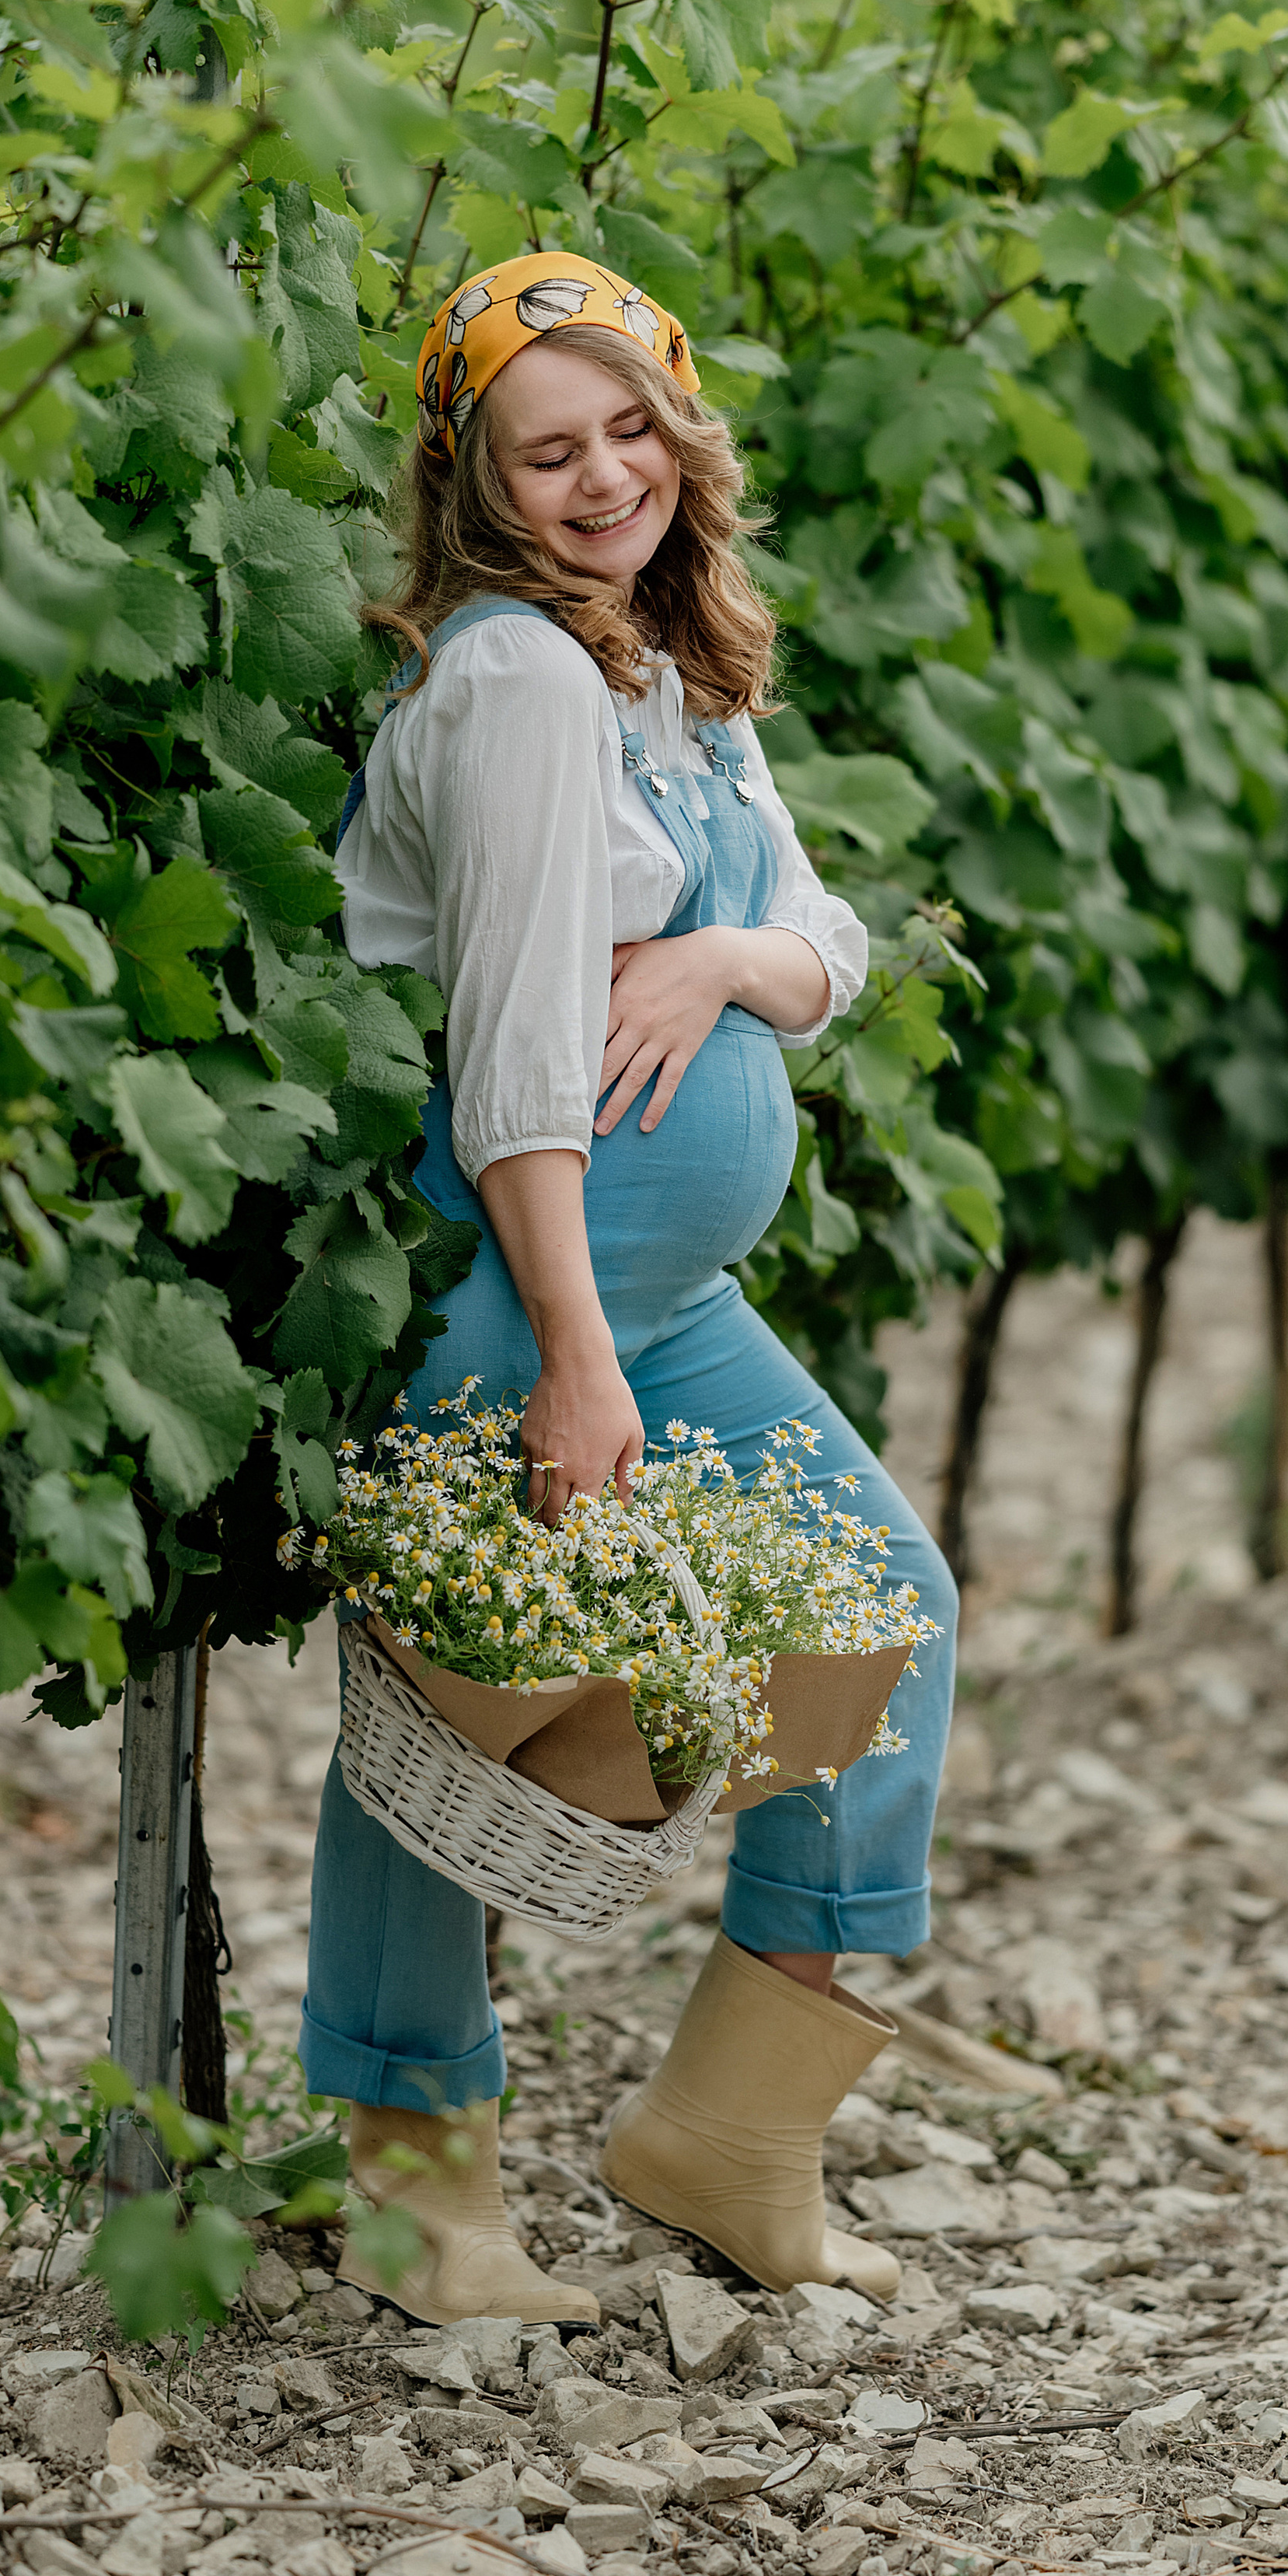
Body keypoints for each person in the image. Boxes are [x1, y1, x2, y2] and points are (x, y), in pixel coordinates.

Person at [305, 250, 960, 2326]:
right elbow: (511, 1055)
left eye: (630, 430)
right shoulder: (508, 684)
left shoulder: (667, 670)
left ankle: (731, 2136)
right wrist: (571, 1362)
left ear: (684, 426)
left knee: (885, 1622)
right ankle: (421, 2194)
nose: (604, 480)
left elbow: (830, 939)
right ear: (481, 485)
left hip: (656, 1291)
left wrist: (716, 963)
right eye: (547, 450)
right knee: (468, 1707)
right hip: (537, 1281)